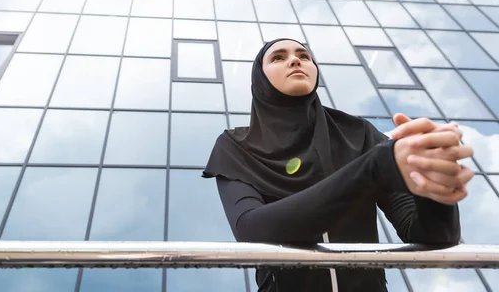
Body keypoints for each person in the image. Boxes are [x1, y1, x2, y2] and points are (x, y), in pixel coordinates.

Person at [202, 38, 474, 292]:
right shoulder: (235, 146)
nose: (295, 61)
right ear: (259, 79)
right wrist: (372, 169)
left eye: (304, 56)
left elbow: (434, 238)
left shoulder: (357, 133)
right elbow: (252, 232)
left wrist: (435, 188)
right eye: (278, 58)